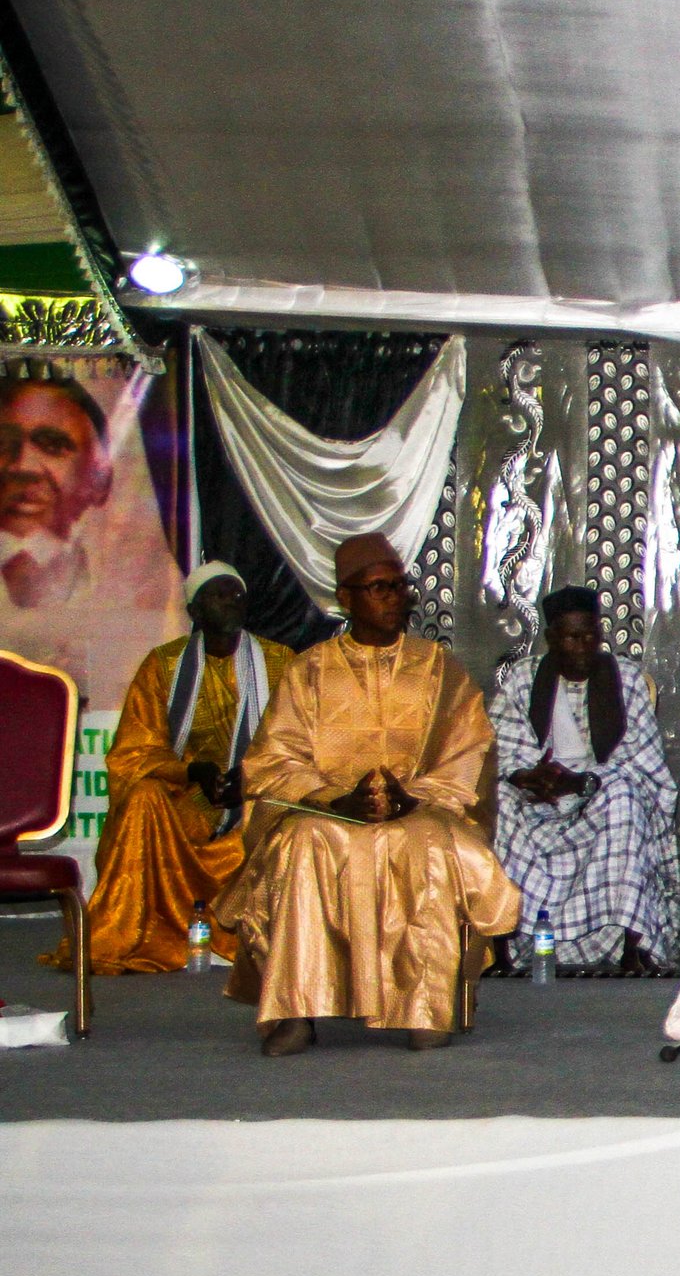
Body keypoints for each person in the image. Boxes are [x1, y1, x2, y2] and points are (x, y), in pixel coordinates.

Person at [213, 534, 521, 1054]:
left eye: (399, 586)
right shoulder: (309, 670)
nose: (394, 598)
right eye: (378, 588)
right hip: (325, 810)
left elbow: (471, 749)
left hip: (419, 808)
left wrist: (411, 796)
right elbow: (274, 759)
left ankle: (425, 1005)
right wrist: (334, 800)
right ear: (346, 598)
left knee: (426, 846)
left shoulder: (437, 667)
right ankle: (295, 1009)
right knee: (303, 844)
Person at [47, 563, 288, 973]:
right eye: (219, 594)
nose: (231, 601)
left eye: (237, 594)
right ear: (193, 611)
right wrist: (193, 773)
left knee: (281, 812)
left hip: (255, 799)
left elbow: (298, 745)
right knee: (142, 796)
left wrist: (251, 781)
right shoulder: (163, 665)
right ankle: (132, 932)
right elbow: (132, 753)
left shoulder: (281, 662)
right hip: (188, 801)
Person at [489, 586, 680, 976]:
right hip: (541, 797)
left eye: (592, 635)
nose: (584, 646)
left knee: (626, 795)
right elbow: (504, 749)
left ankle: (633, 943)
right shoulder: (524, 678)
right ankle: (505, 947)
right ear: (551, 639)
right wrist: (530, 776)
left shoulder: (625, 680)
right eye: (572, 637)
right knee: (501, 800)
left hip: (599, 792)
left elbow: (641, 765)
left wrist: (582, 783)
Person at [0, 371, 113, 609]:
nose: (23, 467)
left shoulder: (137, 590)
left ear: (99, 481)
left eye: (53, 445)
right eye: (3, 444)